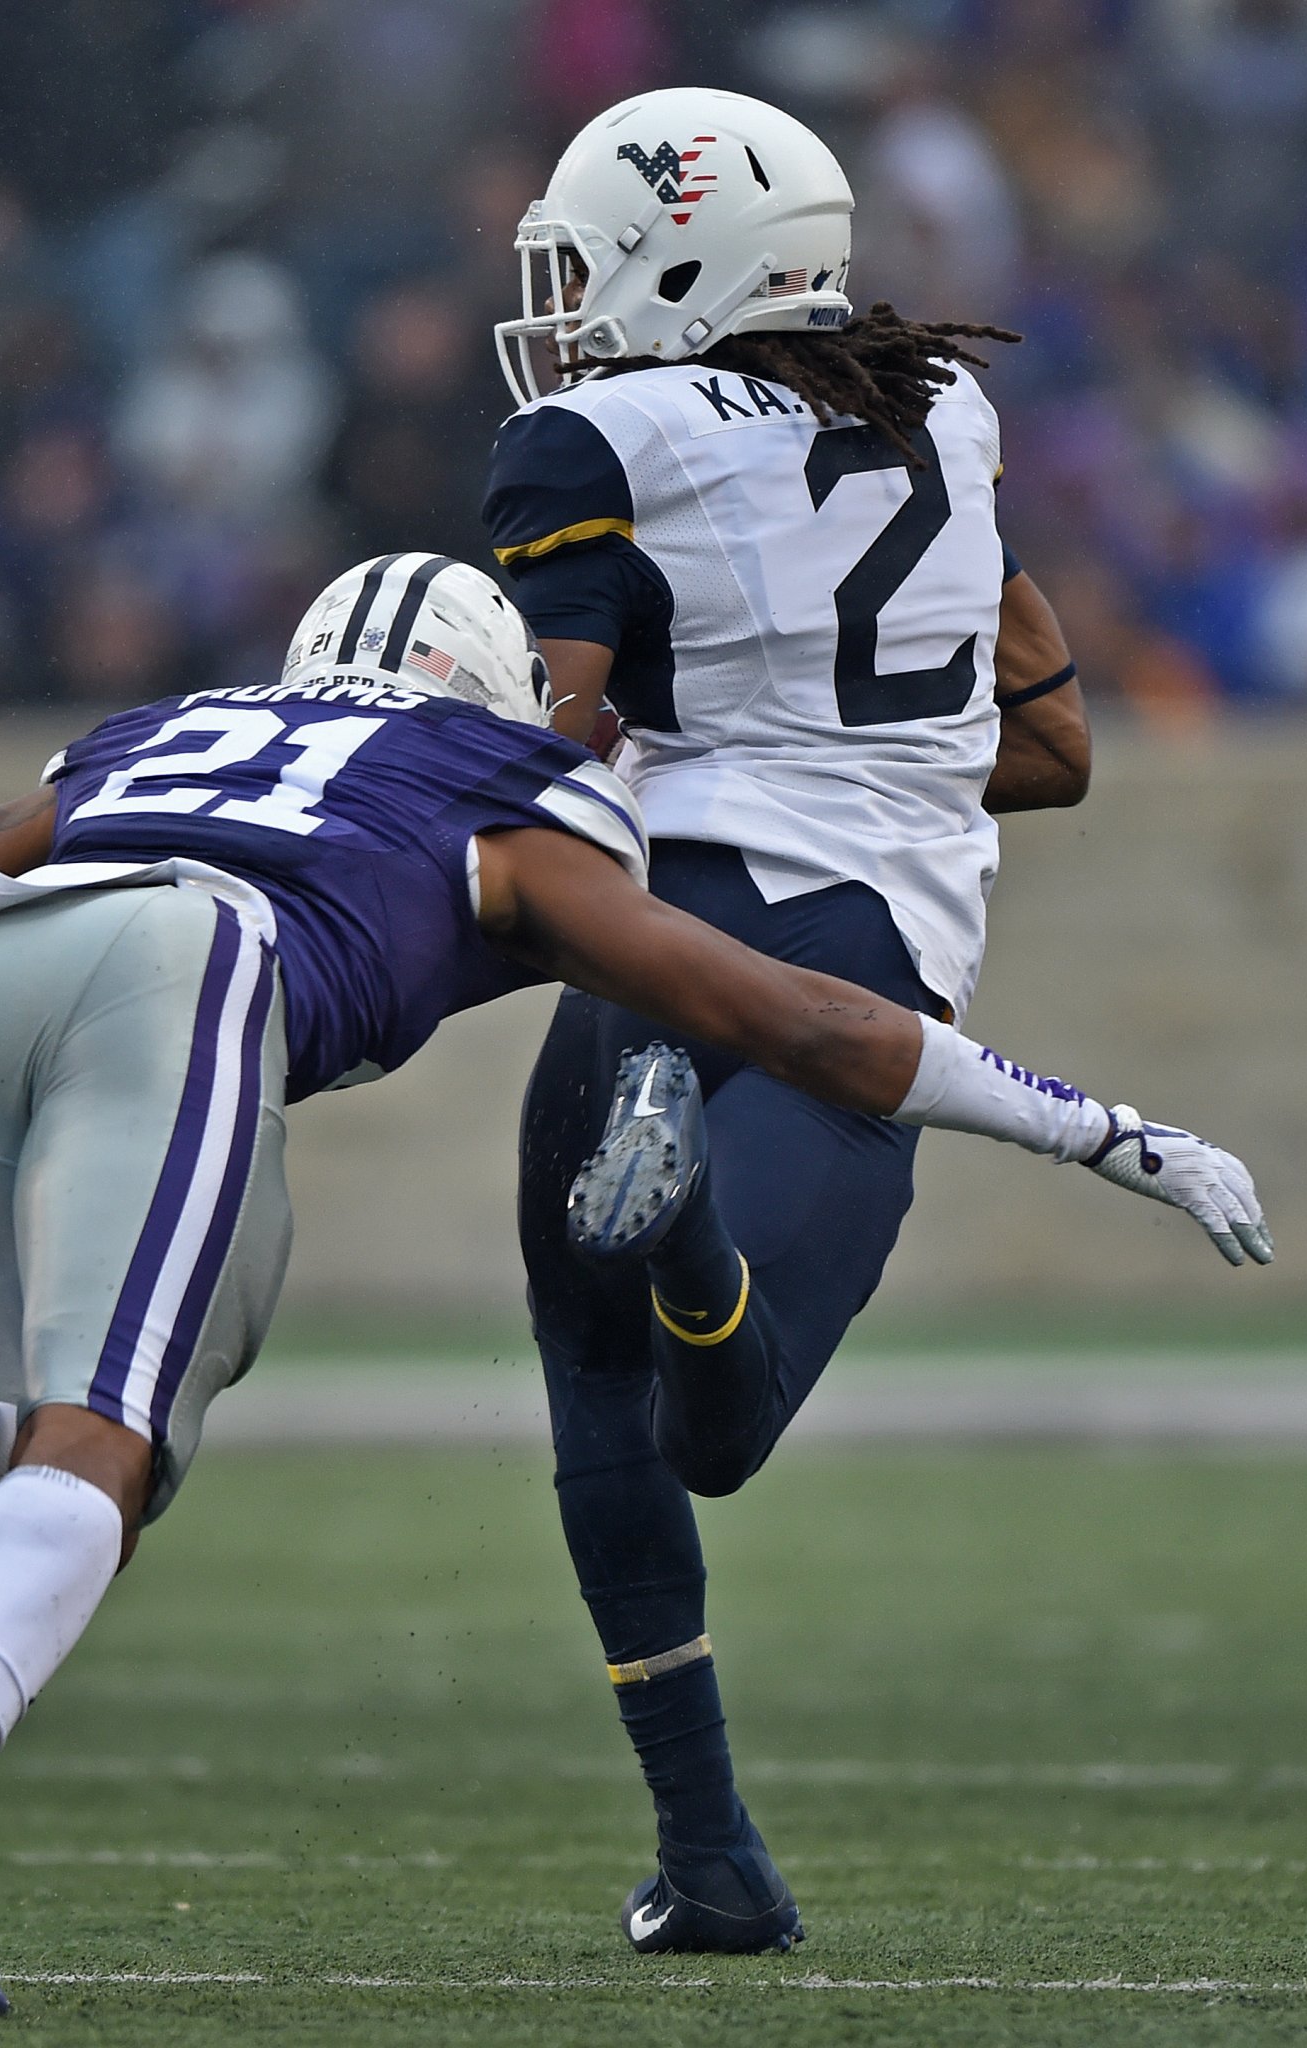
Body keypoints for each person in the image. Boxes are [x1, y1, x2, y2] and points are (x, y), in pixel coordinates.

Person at [0, 553, 1271, 2017]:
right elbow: (799, 1017)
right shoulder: (508, 791)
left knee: (42, 1473)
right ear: (489, 677)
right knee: (110, 1452)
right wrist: (1106, 1132)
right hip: (181, 979)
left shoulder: (174, 726)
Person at [483, 88, 1149, 1956]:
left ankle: (709, 1852)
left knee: (592, 1372)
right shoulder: (953, 406)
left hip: (651, 945)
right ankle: (684, 1225)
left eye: (593, 258)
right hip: (858, 965)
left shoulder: (593, 431)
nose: (566, 305)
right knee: (722, 1417)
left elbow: (560, 733)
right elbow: (1056, 750)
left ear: (686, 258)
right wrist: (881, 766)